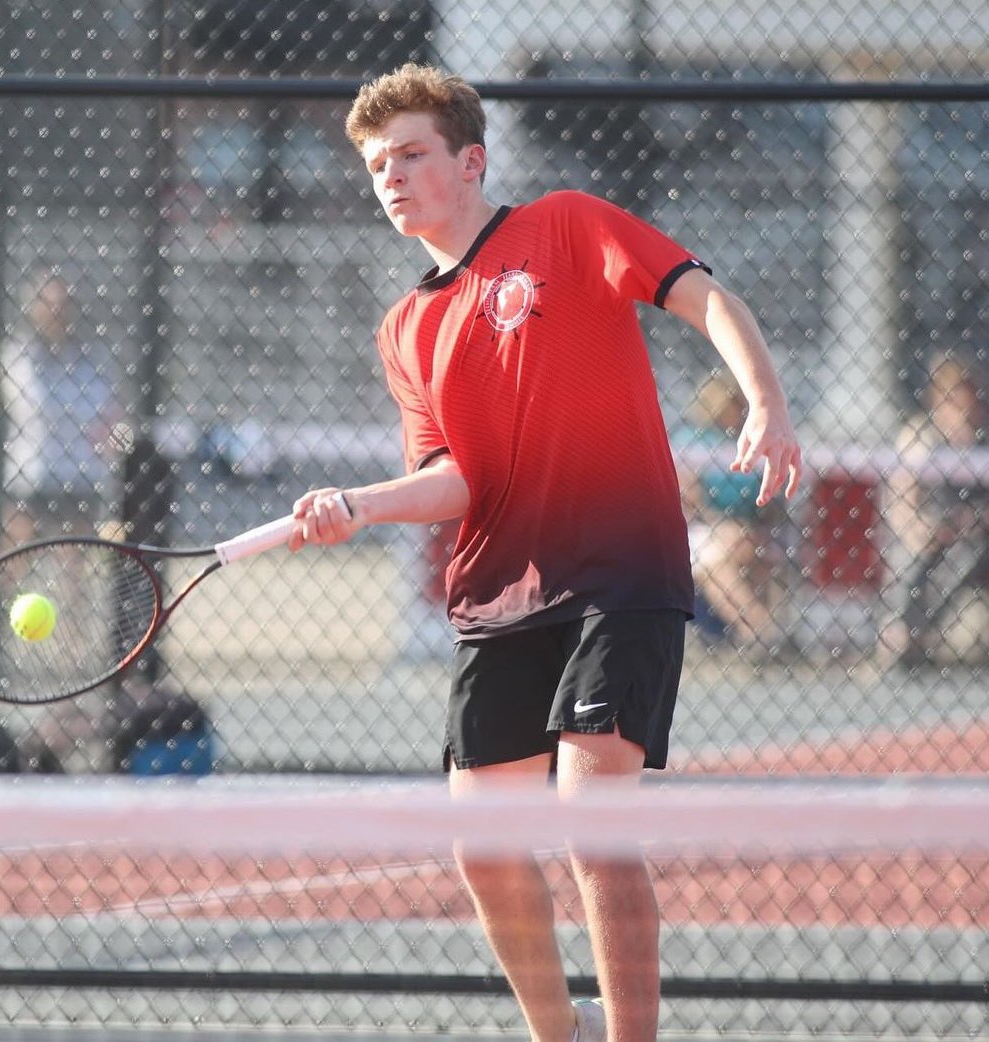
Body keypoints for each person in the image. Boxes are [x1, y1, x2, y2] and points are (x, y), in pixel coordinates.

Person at [288, 65, 801, 1042]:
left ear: (470, 161)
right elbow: (455, 478)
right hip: (497, 595)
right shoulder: (405, 327)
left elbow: (706, 299)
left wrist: (769, 405)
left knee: (589, 822)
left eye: (411, 154)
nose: (390, 176)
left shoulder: (570, 224)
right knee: (485, 845)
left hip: (622, 574)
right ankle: (553, 1032)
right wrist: (360, 506)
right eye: (374, 163)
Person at [675, 373, 797, 654]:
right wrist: (724, 526)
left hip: (749, 529)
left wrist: (749, 528)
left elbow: (770, 497)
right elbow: (690, 501)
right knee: (718, 561)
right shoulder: (692, 439)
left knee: (762, 553)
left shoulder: (753, 437)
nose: (736, 408)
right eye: (730, 401)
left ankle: (759, 635)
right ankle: (761, 633)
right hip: (702, 529)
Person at [883, 356, 989, 667]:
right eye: (955, 395)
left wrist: (973, 520)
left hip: (976, 535)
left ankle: (921, 632)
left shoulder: (982, 436)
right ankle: (903, 633)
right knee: (916, 554)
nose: (965, 404)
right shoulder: (922, 434)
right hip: (929, 528)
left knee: (967, 553)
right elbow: (901, 498)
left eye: (969, 394)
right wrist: (920, 527)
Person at [0, 274, 121, 543]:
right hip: (31, 474)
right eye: (47, 304)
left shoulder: (92, 359)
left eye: (62, 306)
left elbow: (110, 414)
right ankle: (1, 587)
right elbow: (32, 404)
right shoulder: (19, 356)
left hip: (79, 475)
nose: (56, 313)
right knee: (15, 552)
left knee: (71, 562)